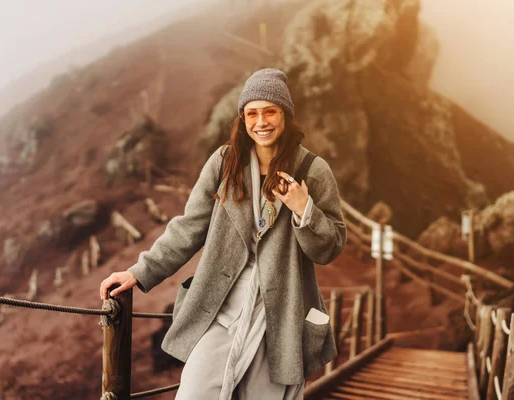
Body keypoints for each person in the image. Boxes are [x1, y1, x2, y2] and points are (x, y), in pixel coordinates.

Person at [99, 68, 346, 399]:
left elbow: (329, 248)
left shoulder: (313, 171)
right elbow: (189, 226)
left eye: (270, 111)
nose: (261, 122)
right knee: (194, 392)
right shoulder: (224, 163)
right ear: (243, 119)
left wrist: (305, 210)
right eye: (252, 113)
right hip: (220, 307)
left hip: (280, 318)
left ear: (285, 115)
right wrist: (139, 271)